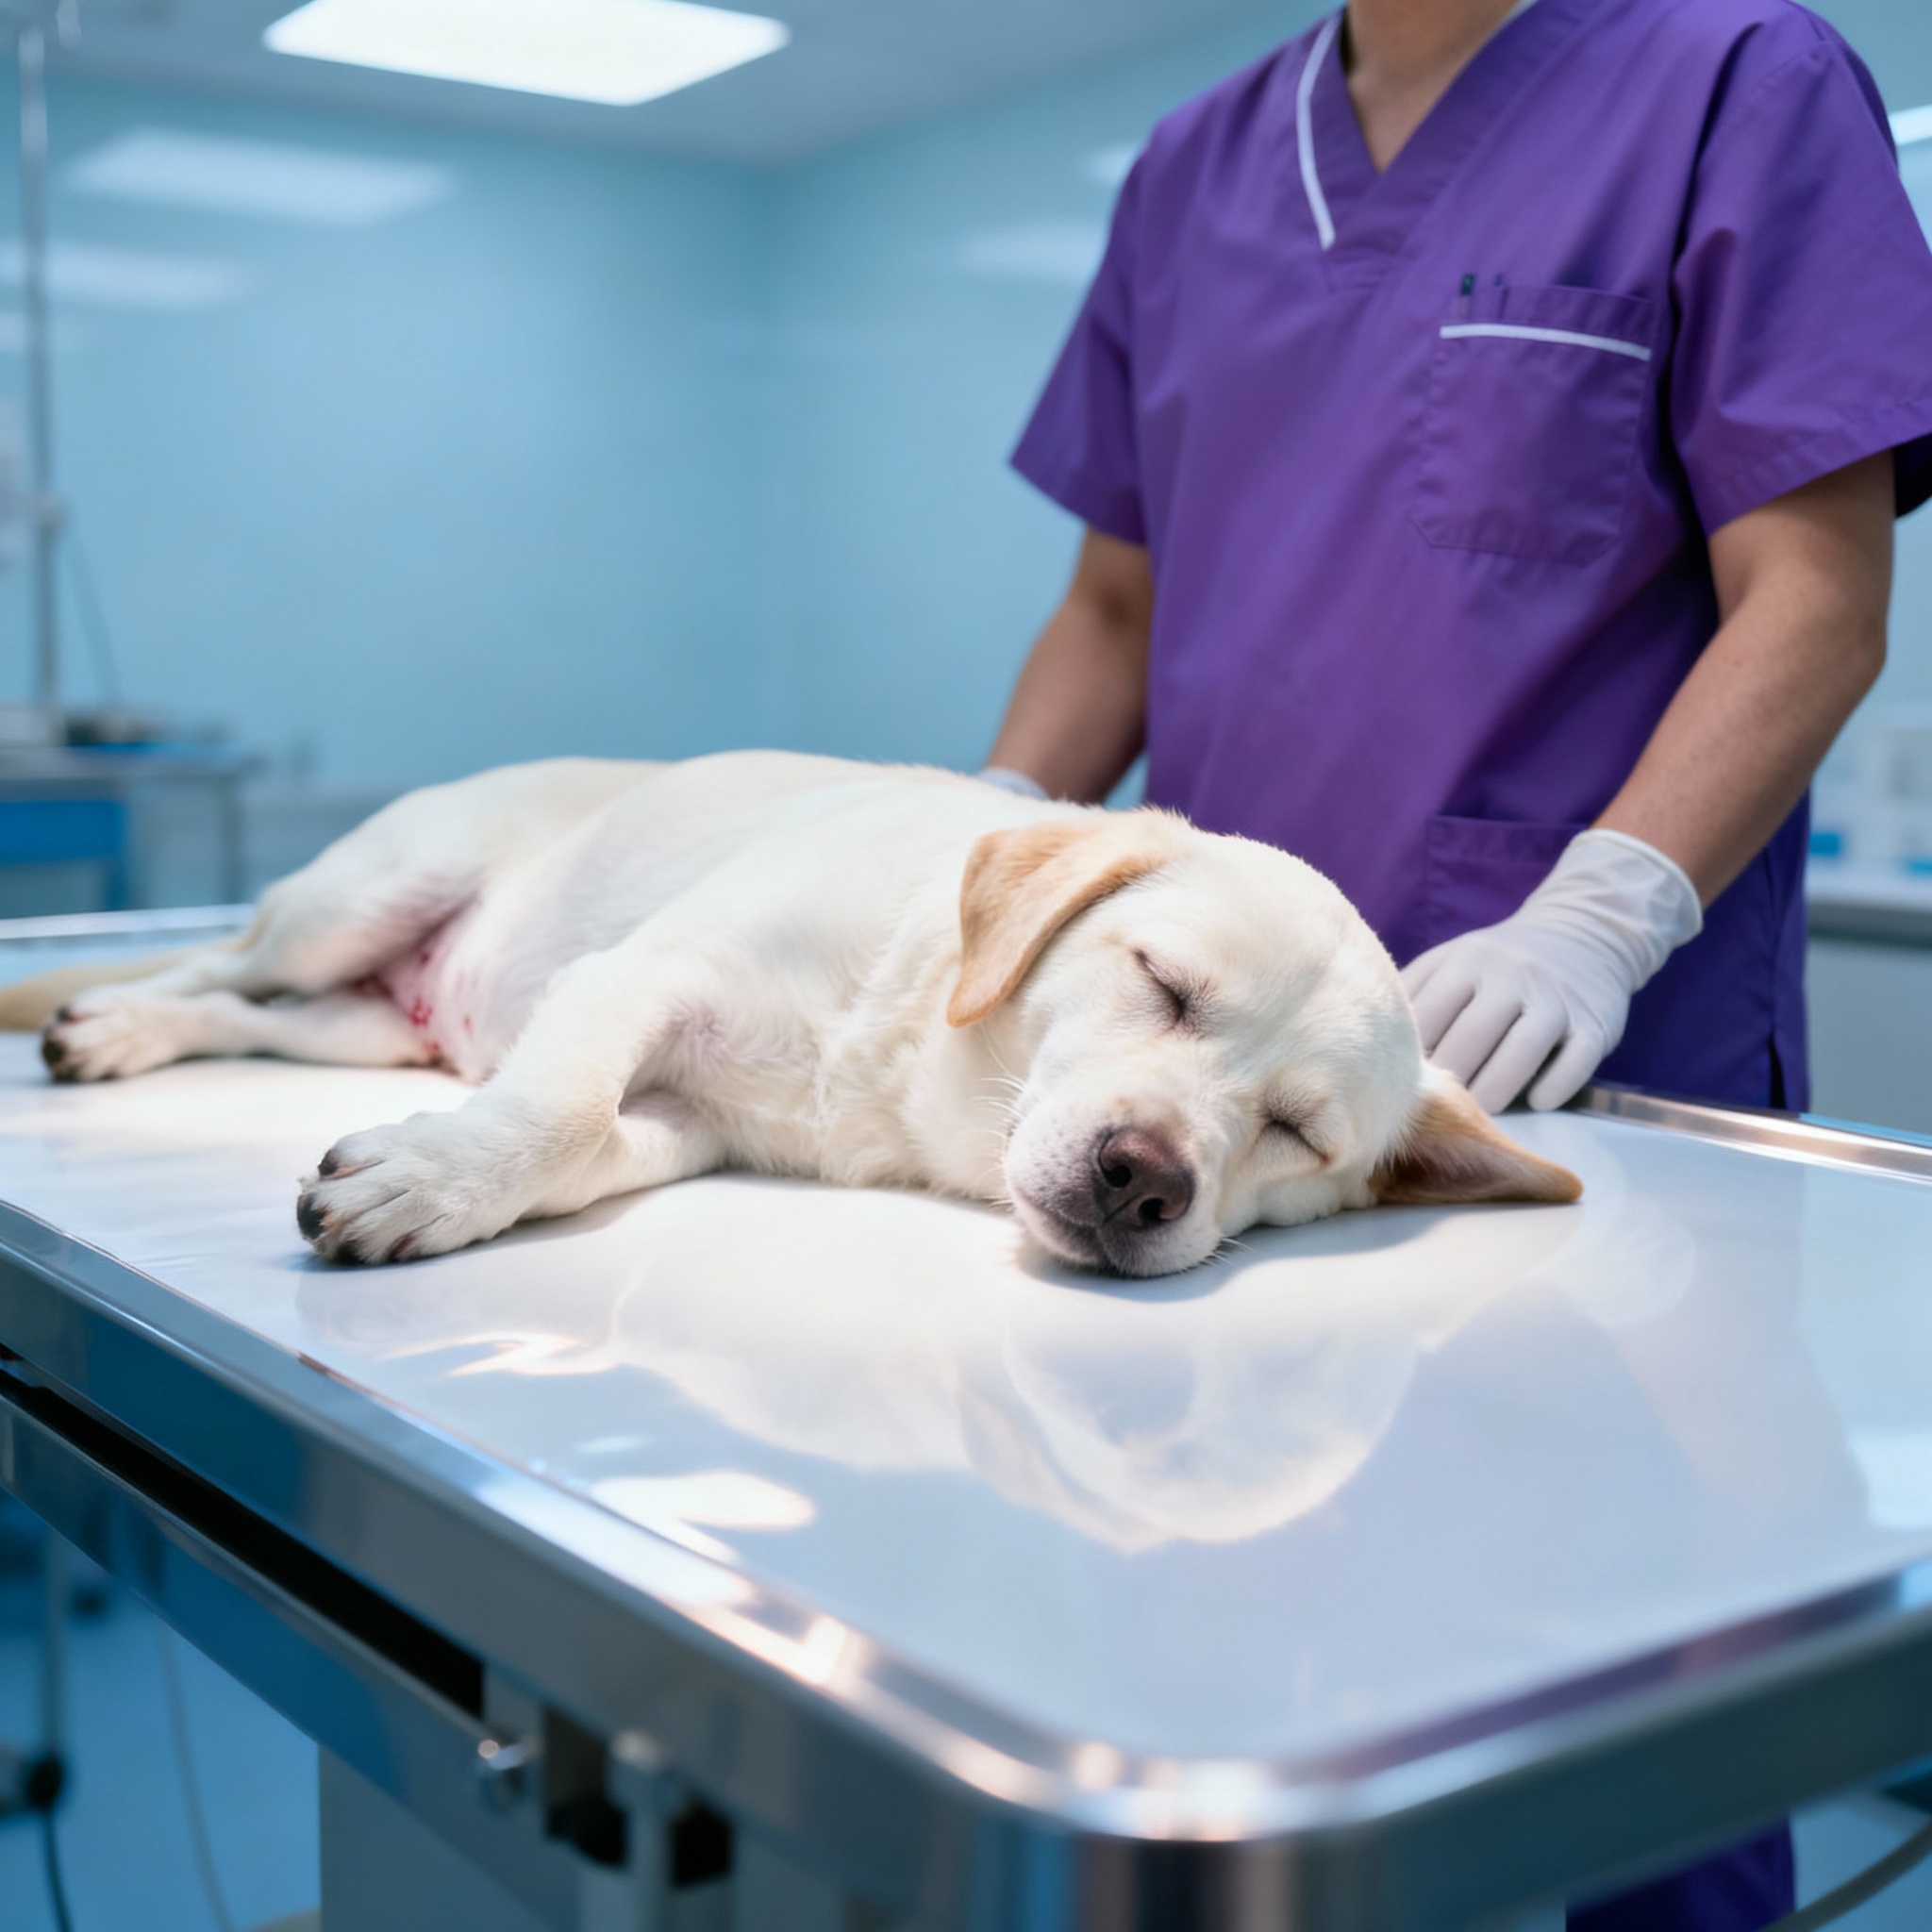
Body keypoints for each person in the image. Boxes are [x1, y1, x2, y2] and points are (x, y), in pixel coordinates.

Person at [981, 0, 1932, 1925]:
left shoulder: (1737, 83)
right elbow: (1112, 601)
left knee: (1641, 1692)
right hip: (1216, 1106)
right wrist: (968, 843)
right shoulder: (1191, 169)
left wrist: (1604, 910)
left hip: (1586, 1084)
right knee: (1214, 1627)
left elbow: (1815, 593)